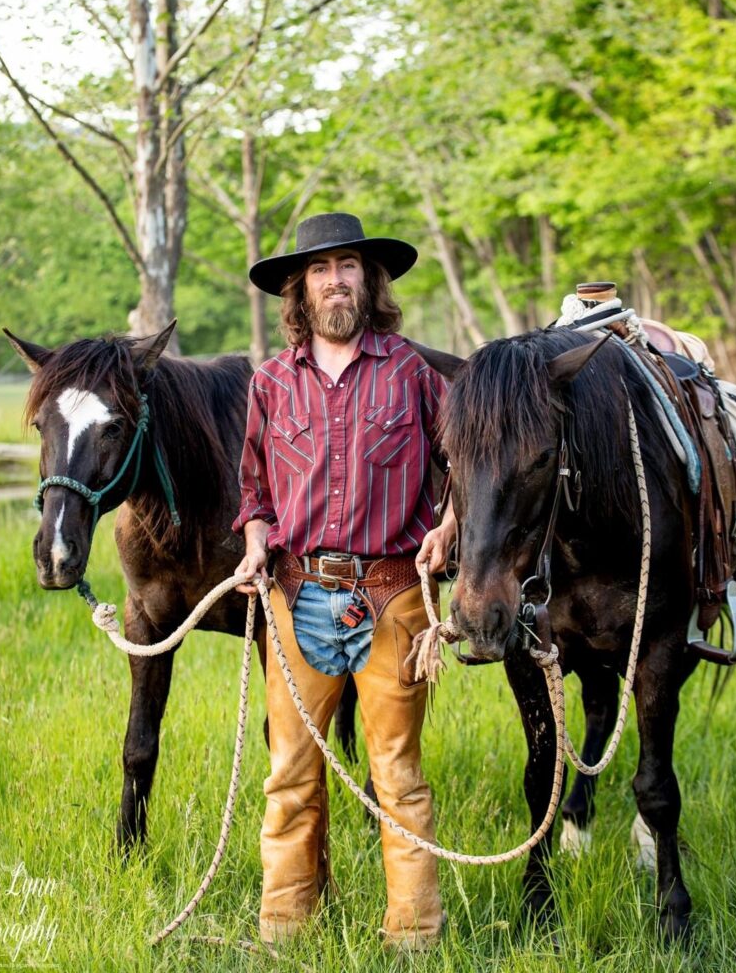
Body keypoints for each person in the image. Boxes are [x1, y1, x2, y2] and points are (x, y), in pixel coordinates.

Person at [232, 212, 456, 950]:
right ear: (299, 287)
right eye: (321, 269)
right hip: (295, 597)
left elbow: (466, 467)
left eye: (349, 266)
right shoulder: (269, 384)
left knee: (397, 774)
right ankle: (287, 930)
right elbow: (254, 494)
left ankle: (413, 938)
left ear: (370, 281)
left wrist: (449, 526)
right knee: (291, 775)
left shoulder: (413, 374)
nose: (336, 280)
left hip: (393, 597)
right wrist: (256, 542)